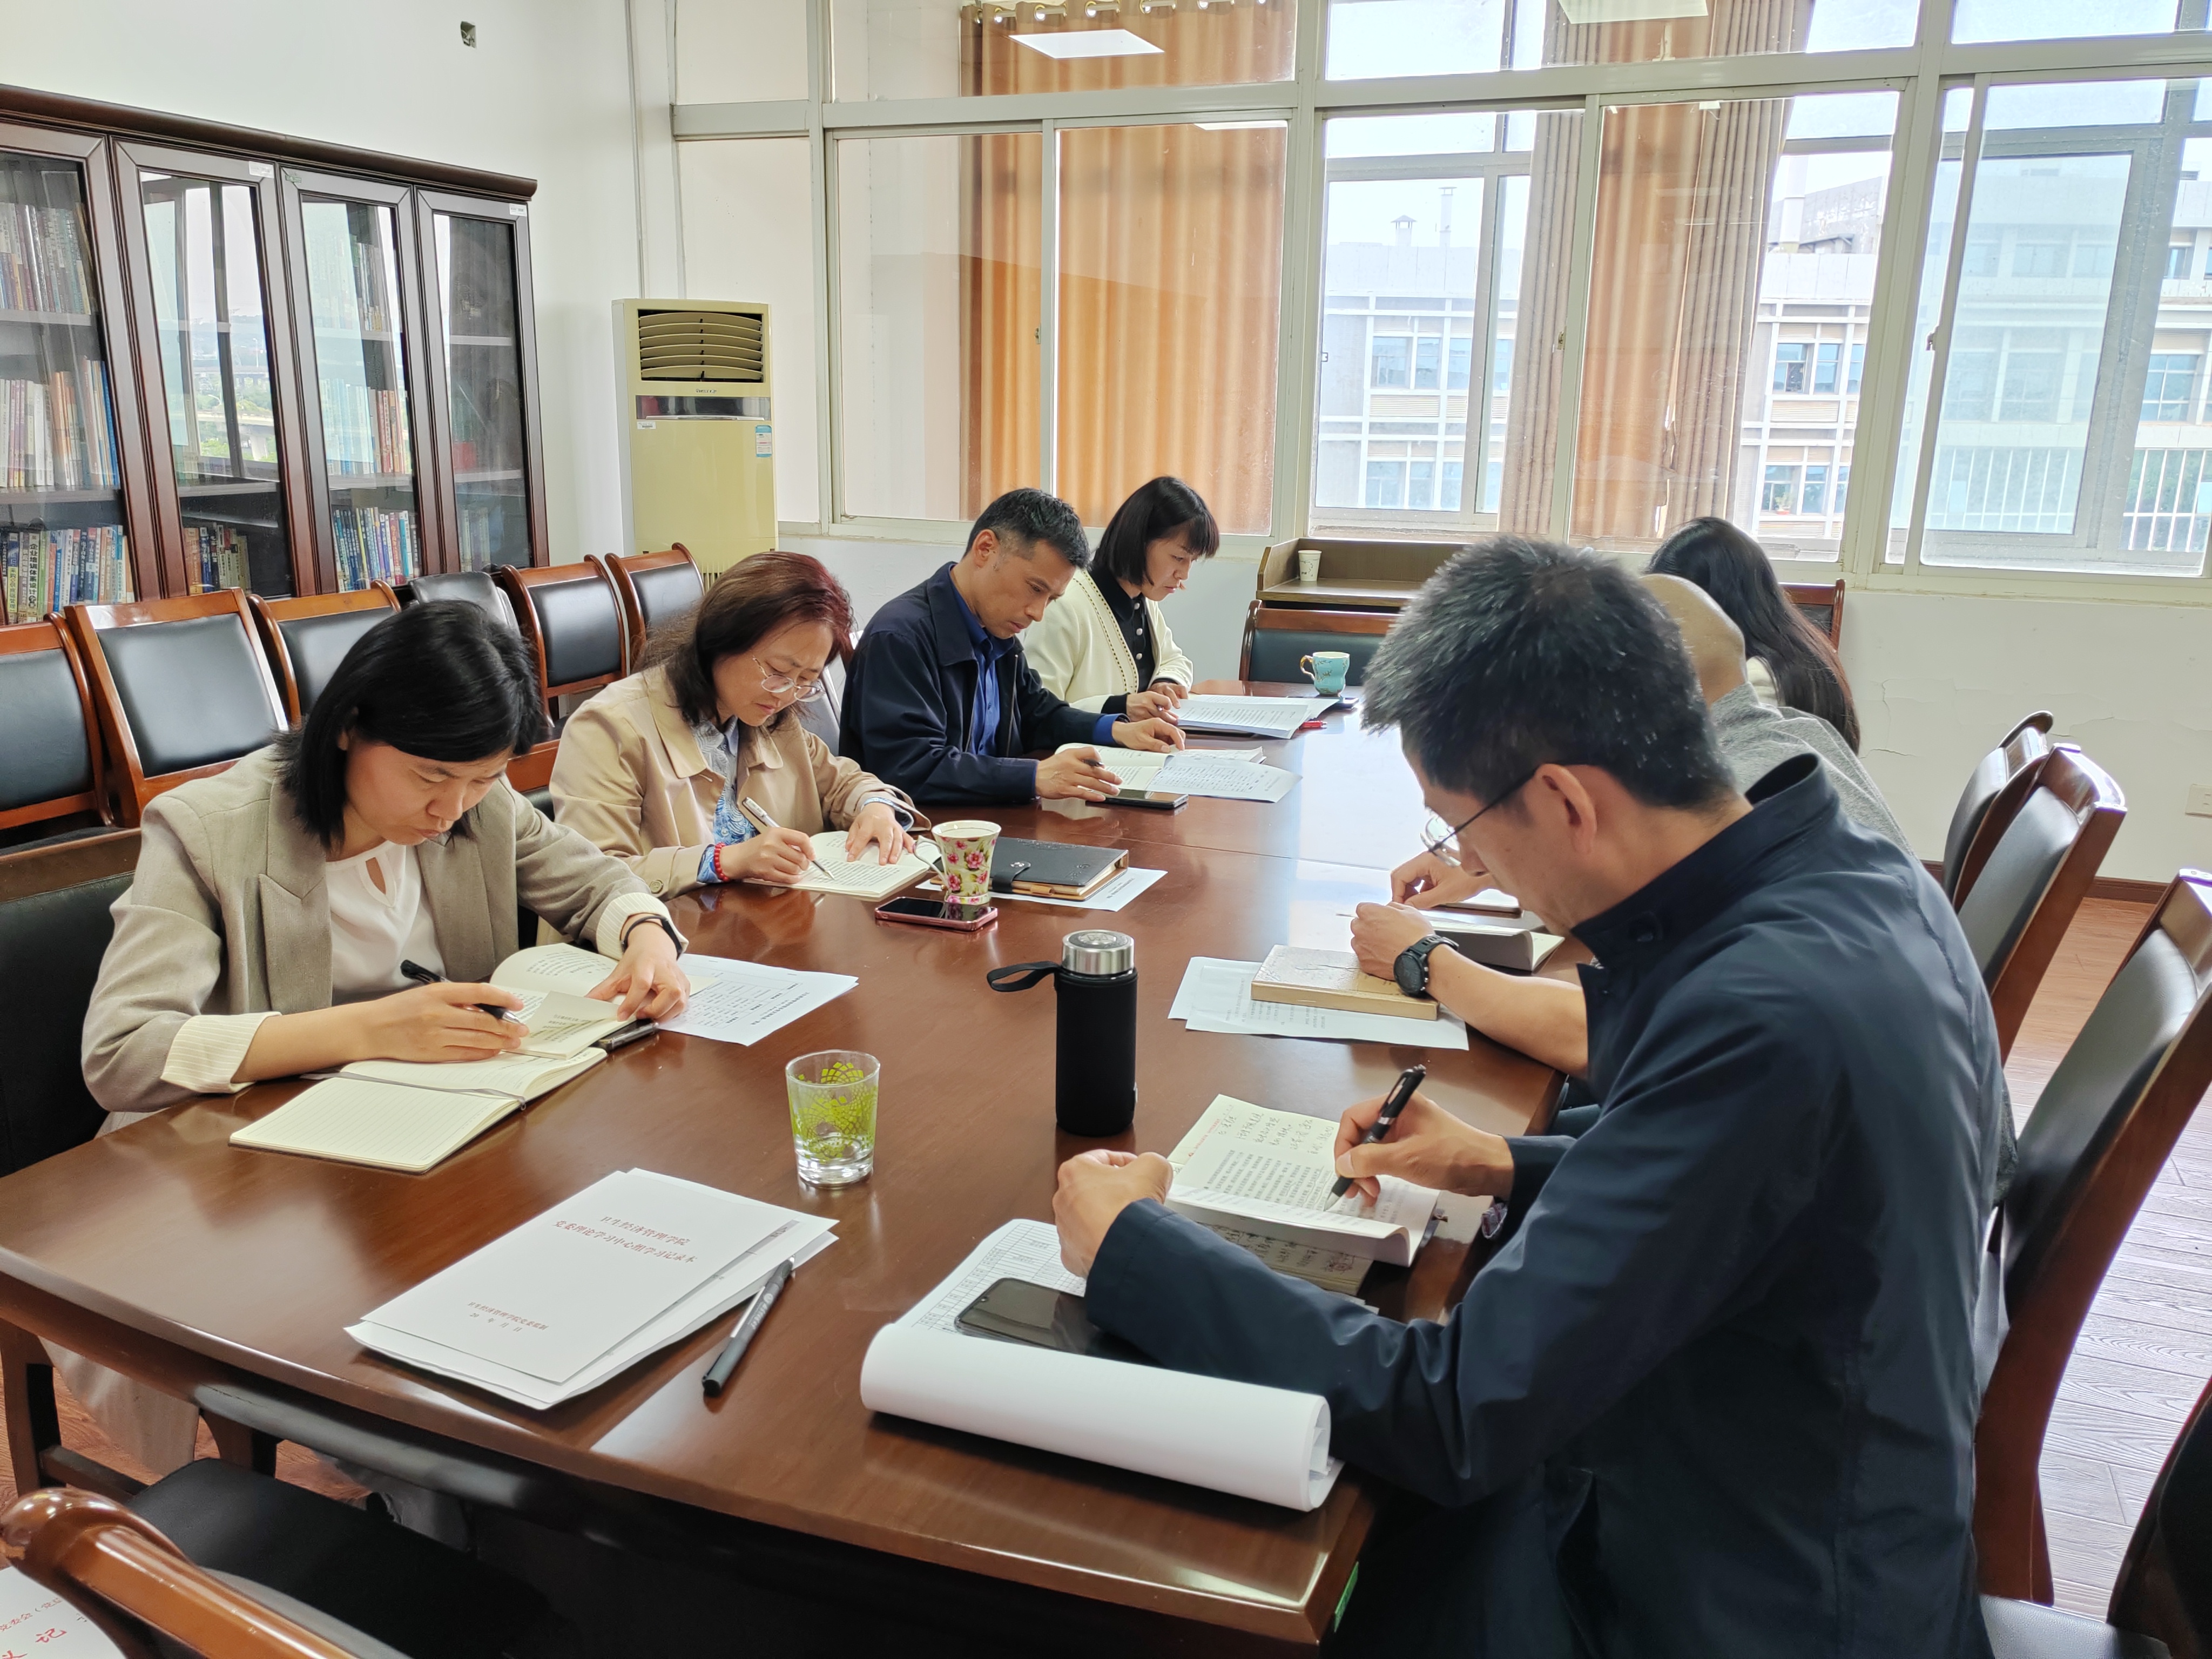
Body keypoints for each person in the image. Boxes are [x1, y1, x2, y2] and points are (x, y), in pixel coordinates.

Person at [1051, 539, 2005, 1659]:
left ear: (1561, 799)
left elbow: (1454, 1413)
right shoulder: (1848, 876)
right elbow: (1758, 1183)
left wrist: (1132, 1244)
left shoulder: (1763, 1016)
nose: (1472, 865)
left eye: (1460, 827)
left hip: (1735, 1601)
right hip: (1765, 1490)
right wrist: (1502, 1160)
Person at [73, 599, 690, 1477]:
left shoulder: (477, 801)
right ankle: (349, 1496)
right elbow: (123, 1050)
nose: (452, 808)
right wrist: (364, 1029)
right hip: (253, 1166)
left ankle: (451, 1492)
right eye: (430, 776)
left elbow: (594, 881)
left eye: (482, 779)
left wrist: (646, 935)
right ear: (348, 728)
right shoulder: (212, 829)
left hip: (427, 1135)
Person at [552, 550, 915, 897]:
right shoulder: (609, 727)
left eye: (806, 680)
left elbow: (843, 782)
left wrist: (875, 807)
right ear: (721, 638)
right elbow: (593, 876)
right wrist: (725, 861)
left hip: (758, 925)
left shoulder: (770, 719)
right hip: (659, 934)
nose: (787, 694)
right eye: (778, 671)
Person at [839, 488, 1184, 805]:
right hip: (928, 832)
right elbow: (909, 769)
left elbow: (1037, 713)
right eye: (1035, 589)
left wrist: (1116, 730)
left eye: (1052, 598)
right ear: (985, 549)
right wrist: (1032, 776)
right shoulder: (901, 637)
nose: (1038, 613)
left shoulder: (994, 628)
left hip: (989, 815)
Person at [1647, 515, 1862, 751]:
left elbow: (1720, 761)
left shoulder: (1756, 678)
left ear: (1715, 603)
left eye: (1676, 609)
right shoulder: (1800, 646)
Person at [1022, 476, 1216, 718]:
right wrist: (1120, 707)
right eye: (1178, 558)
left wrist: (1165, 682)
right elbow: (1037, 713)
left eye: (1192, 561)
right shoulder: (1065, 605)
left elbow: (1174, 659)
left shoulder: (1143, 598)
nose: (1184, 574)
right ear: (1139, 541)